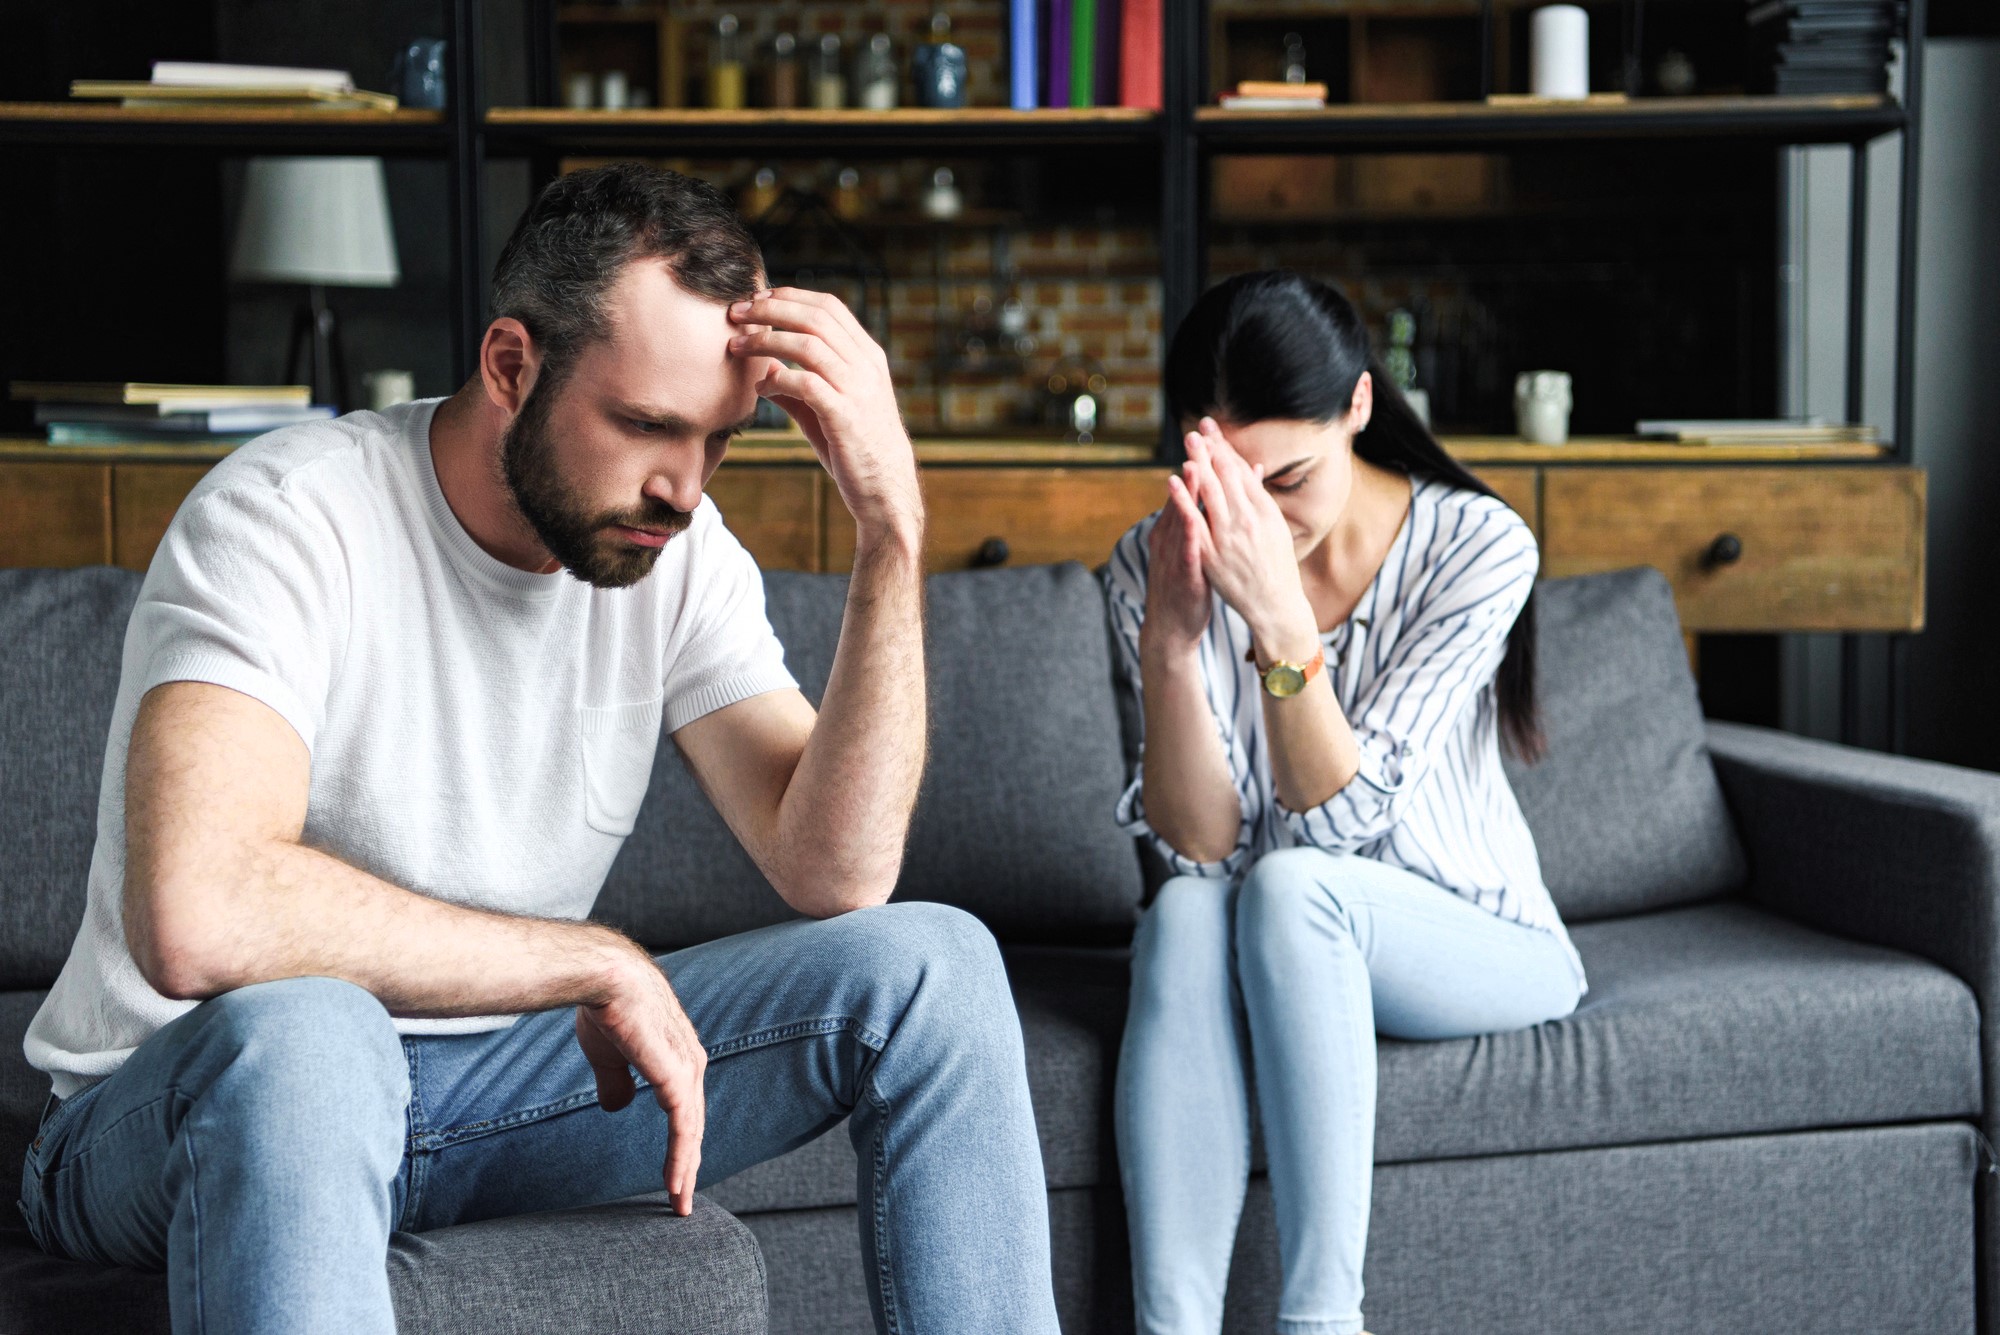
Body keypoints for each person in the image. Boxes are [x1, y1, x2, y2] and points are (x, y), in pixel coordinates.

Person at [16, 162, 1060, 1335]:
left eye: (717, 441)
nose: (681, 487)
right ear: (510, 366)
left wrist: (890, 532)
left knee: (935, 966)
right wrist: (590, 960)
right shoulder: (287, 515)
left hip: (491, 1095)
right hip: (185, 1103)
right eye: (646, 426)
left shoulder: (676, 550)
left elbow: (835, 871)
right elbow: (198, 913)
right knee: (315, 1030)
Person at [1106, 270, 1587, 1335]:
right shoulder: (1152, 562)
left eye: (1290, 478)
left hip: (1480, 937)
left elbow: (1332, 826)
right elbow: (1196, 854)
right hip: (1268, 923)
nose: (1261, 522)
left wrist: (1278, 621)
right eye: (1229, 483)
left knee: (1293, 888)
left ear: (1358, 408)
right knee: (1187, 913)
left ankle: (1323, 1321)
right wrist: (1172, 648)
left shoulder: (1477, 547)